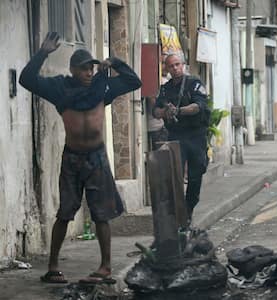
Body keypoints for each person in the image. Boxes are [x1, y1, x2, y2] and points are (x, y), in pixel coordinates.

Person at [19, 32, 142, 284]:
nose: (89, 72)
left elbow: (134, 81)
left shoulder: (102, 86)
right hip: (72, 159)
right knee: (65, 213)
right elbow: (27, 79)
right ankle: (53, 267)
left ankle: (105, 267)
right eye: (84, 69)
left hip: (96, 157)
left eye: (92, 68)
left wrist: (115, 63)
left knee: (101, 214)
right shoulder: (59, 88)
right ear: (73, 69)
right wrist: (43, 52)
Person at [153, 54, 209, 221]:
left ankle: (188, 209)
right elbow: (155, 111)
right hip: (176, 136)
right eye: (171, 66)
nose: (175, 68)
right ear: (167, 69)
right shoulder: (165, 88)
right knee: (174, 176)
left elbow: (198, 106)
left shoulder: (194, 83)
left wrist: (178, 111)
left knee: (195, 175)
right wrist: (165, 112)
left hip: (195, 136)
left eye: (177, 64)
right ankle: (178, 215)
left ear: (183, 65)